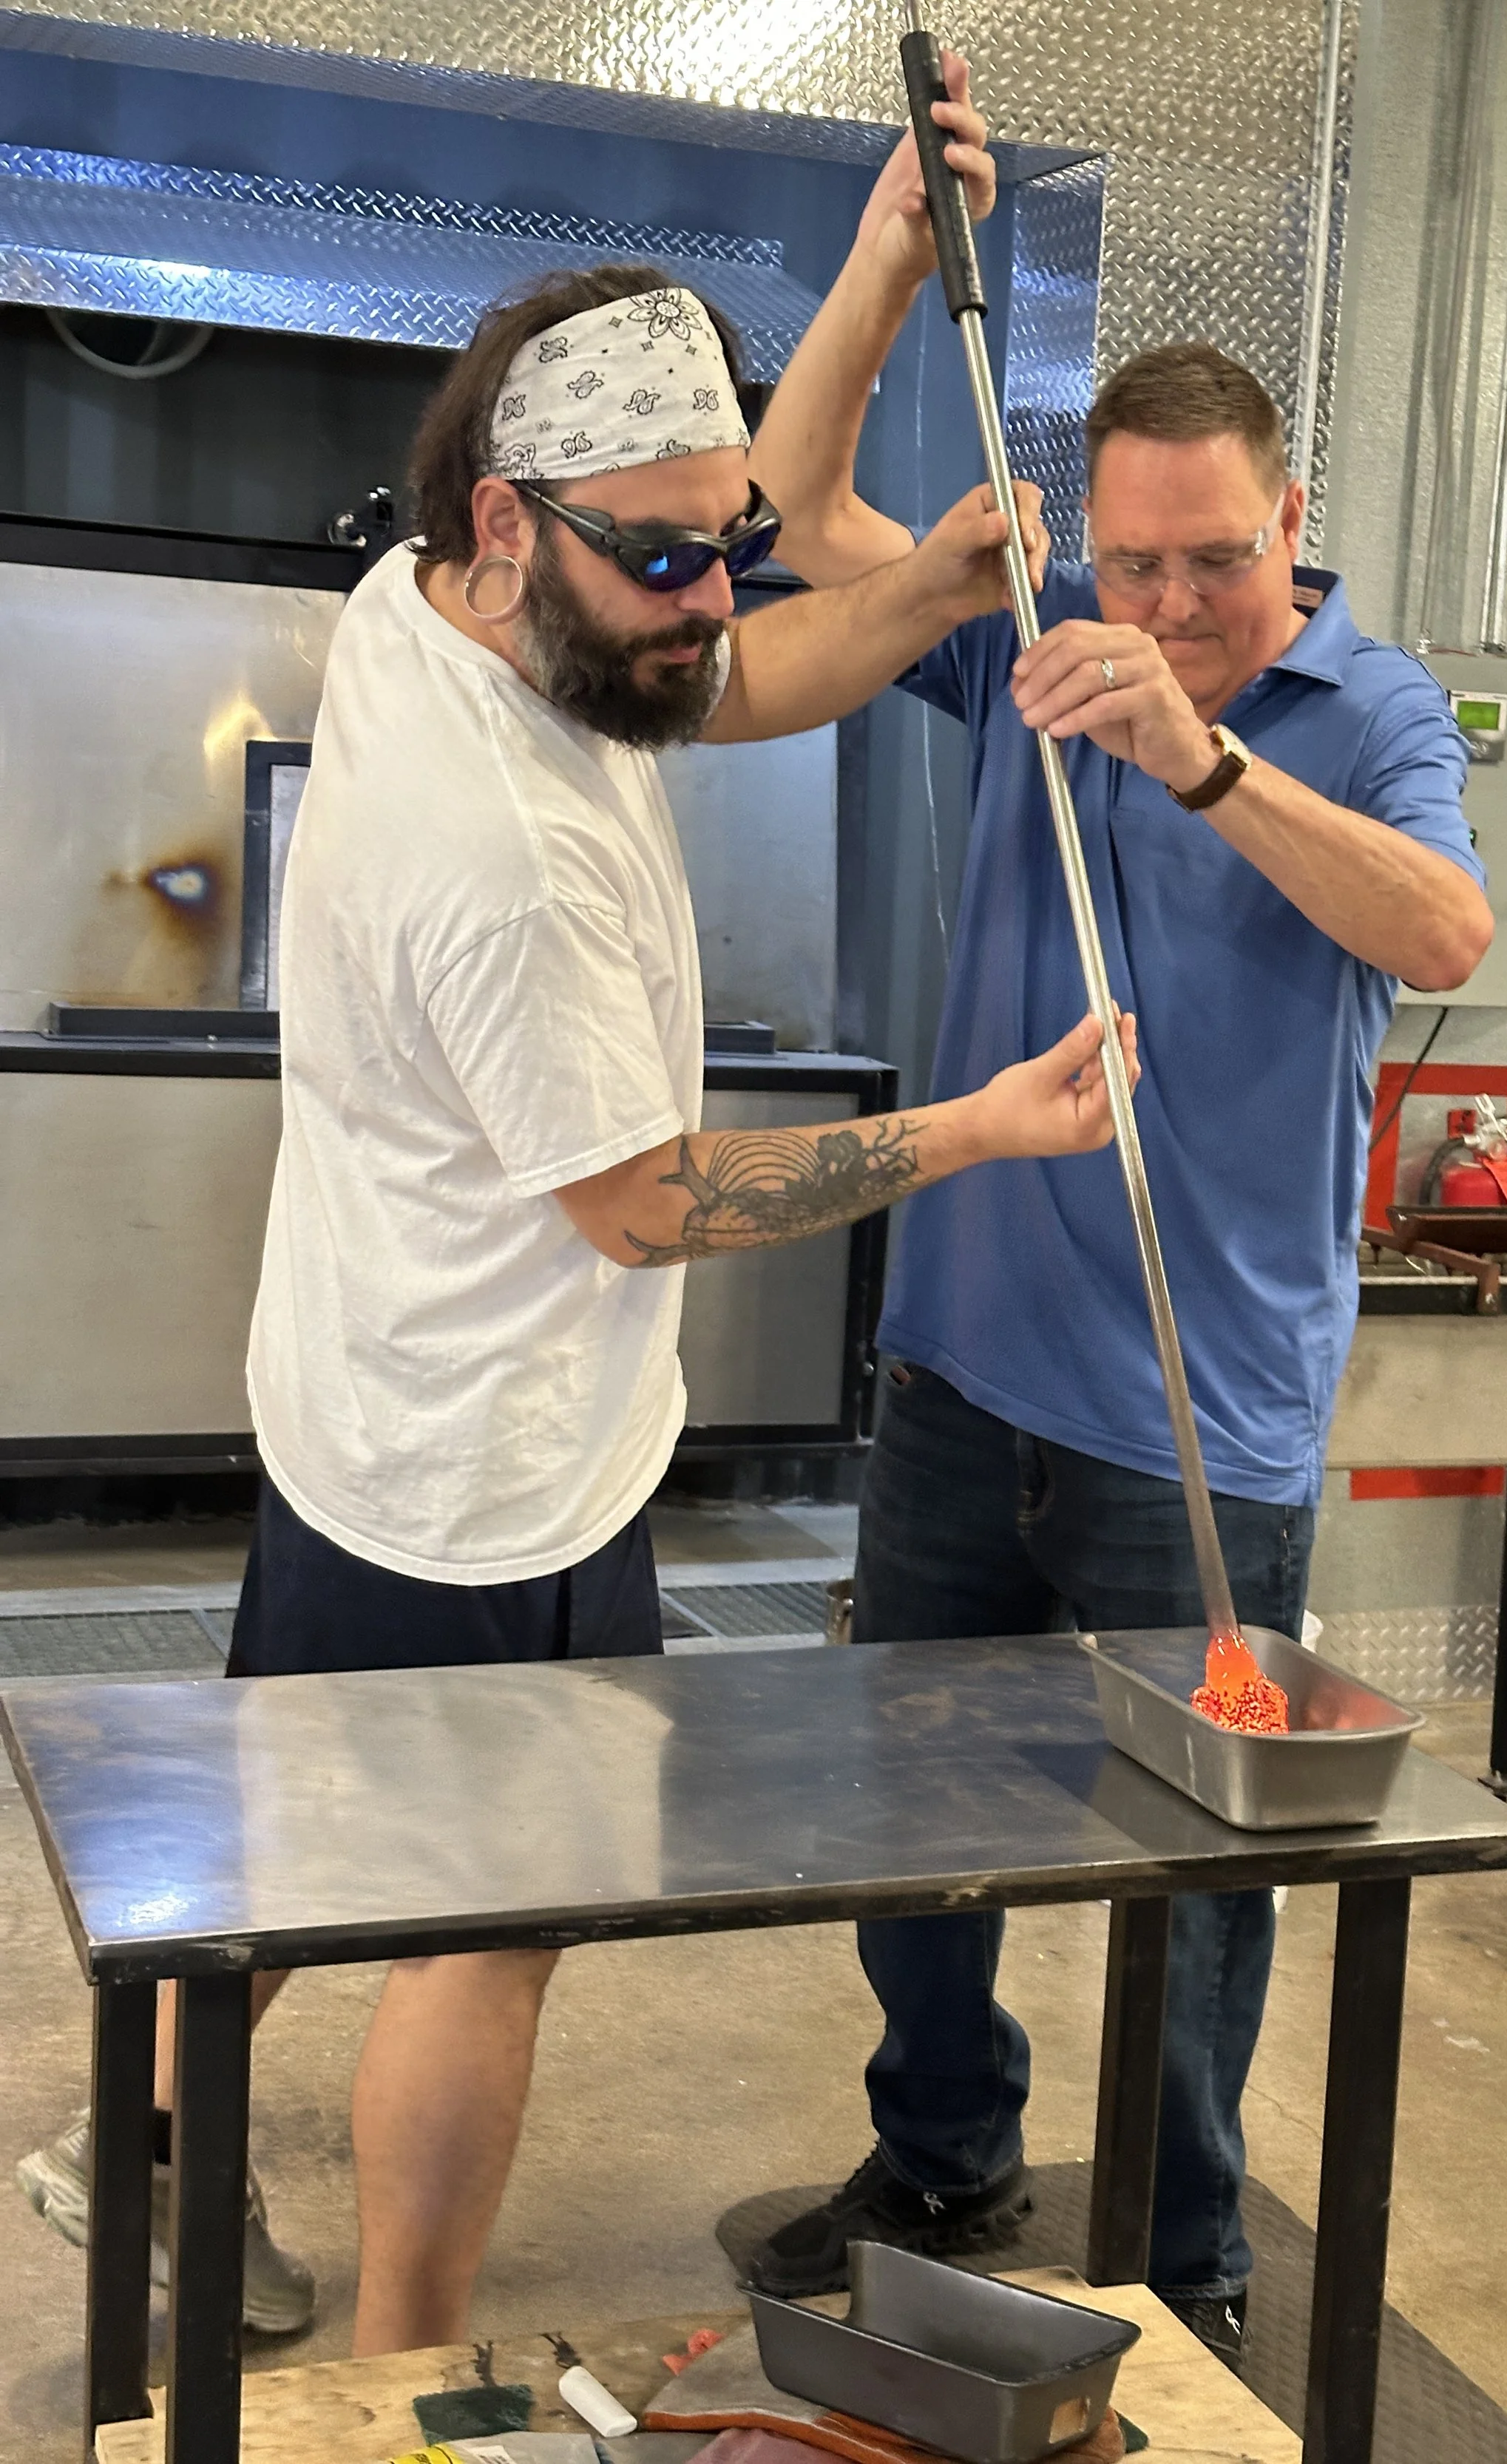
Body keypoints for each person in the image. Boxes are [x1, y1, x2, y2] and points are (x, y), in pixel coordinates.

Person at [15, 252, 1137, 2358]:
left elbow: (736, 678)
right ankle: (405, 2362)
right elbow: (640, 1203)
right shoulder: (503, 852)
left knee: (286, 1842)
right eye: (668, 560)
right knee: (487, 1929)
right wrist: (974, 1129)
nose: (712, 599)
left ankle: (144, 2164)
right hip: (487, 1470)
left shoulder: (434, 609)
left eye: (730, 545)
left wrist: (920, 532)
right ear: (513, 521)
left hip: (374, 1395)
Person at [739, 69, 1493, 2366]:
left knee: (1209, 1868)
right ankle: (946, 2136)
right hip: (962, 1367)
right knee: (911, 1825)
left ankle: (1186, 2246)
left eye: (1213, 562)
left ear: (1295, 523)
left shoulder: (1359, 714)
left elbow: (1442, 933)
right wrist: (883, 261)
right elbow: (781, 524)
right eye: (1132, 562)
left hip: (1203, 1418)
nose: (1165, 607)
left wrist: (1202, 751)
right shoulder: (1026, 636)